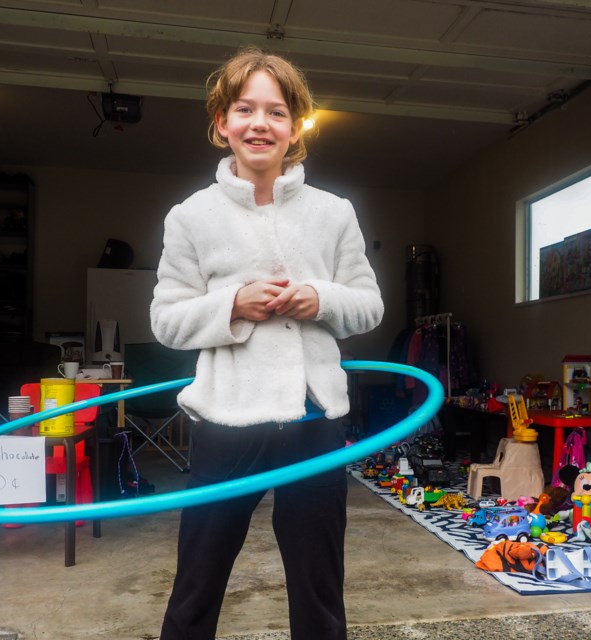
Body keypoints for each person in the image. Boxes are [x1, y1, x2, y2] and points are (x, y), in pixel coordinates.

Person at [149, 46, 384, 640]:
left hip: (313, 423)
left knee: (319, 585)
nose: (260, 123)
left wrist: (319, 299)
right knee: (197, 580)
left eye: (277, 112)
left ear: (296, 126)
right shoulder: (190, 217)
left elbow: (369, 306)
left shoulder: (334, 213)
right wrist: (233, 304)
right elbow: (166, 321)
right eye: (245, 109)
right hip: (226, 422)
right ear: (221, 123)